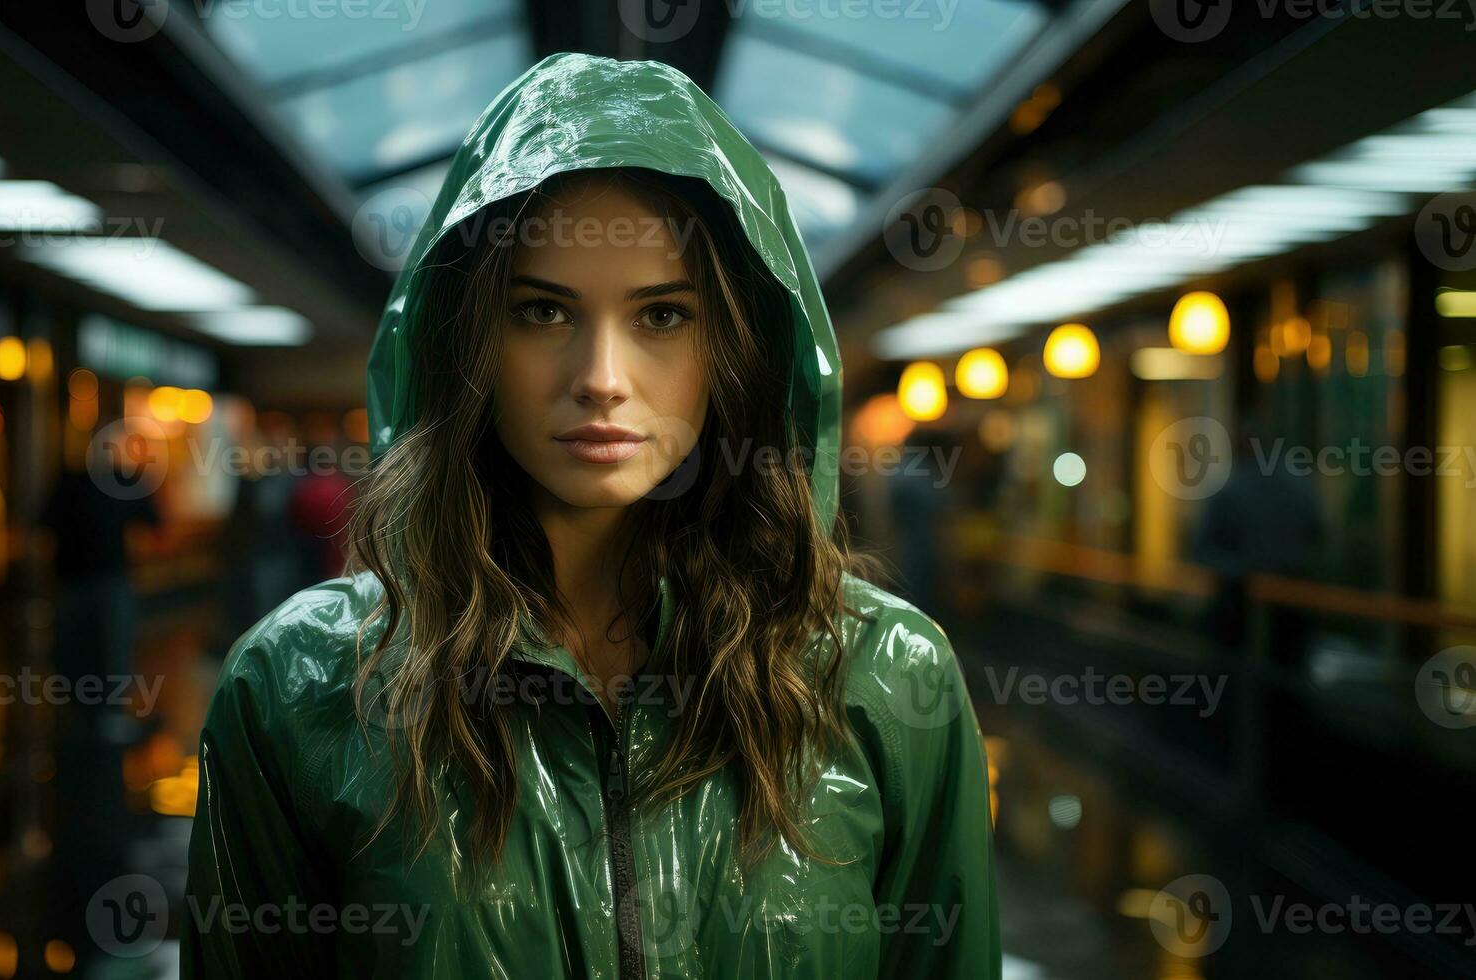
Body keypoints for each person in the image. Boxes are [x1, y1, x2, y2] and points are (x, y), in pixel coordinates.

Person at [184, 53, 998, 979]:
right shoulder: (300, 686)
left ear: (734, 347)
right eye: (541, 311)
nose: (601, 379)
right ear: (470, 343)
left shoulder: (888, 680)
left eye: (660, 317)